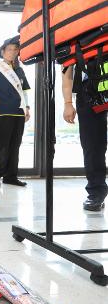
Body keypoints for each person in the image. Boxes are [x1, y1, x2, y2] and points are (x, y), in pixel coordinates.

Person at [0, 36, 31, 187]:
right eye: (9, 49)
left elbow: (24, 92)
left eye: (15, 50)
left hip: (18, 112)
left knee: (15, 145)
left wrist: (27, 108)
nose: (12, 52)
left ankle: (11, 176)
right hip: (1, 112)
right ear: (3, 52)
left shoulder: (20, 70)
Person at [62, 57, 107, 211]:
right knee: (93, 146)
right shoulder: (76, 36)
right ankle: (96, 193)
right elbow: (67, 74)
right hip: (88, 94)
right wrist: (68, 103)